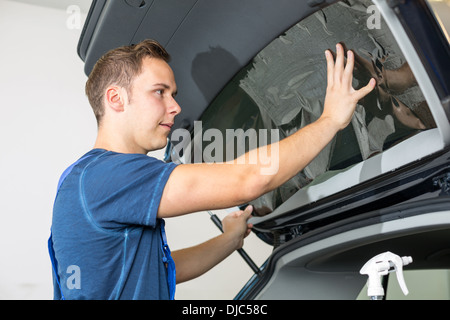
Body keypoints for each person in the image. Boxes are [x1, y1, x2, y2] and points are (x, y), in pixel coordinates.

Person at [49, 39, 375, 300]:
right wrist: (330, 119)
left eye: (173, 95)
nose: (175, 107)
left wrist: (229, 240)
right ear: (116, 99)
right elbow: (247, 180)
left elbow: (162, 269)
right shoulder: (109, 176)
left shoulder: (83, 179)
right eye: (159, 92)